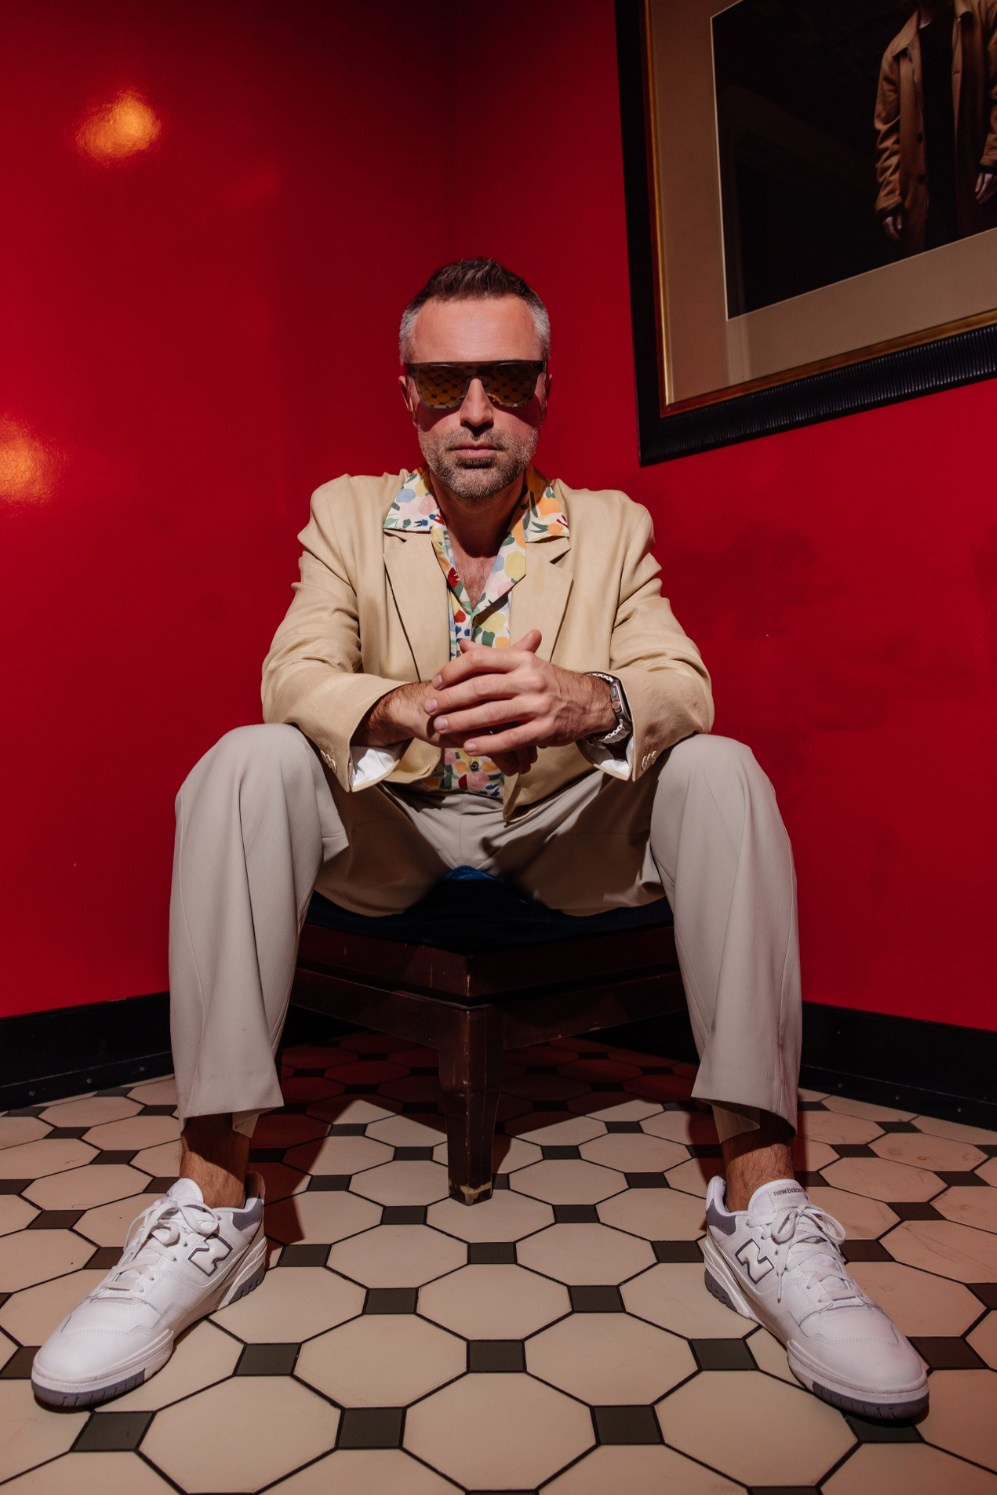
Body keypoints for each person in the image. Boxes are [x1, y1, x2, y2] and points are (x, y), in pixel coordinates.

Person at [32, 259, 928, 1422]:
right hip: (393, 829)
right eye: (443, 383)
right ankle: (213, 1201)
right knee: (245, 758)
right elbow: (292, 674)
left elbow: (681, 684)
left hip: (561, 831)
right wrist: (394, 705)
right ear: (405, 393)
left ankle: (760, 1202)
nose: (472, 411)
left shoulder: (609, 527)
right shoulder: (347, 513)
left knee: (722, 769)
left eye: (503, 381)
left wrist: (589, 698)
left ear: (542, 392)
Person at [875, 0, 997, 253]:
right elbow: (888, 134)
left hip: (980, 181)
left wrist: (994, 154)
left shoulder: (986, 11)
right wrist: (890, 195)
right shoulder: (895, 53)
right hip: (929, 202)